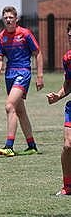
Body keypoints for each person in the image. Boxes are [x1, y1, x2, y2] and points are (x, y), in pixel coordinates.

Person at [0, 6, 44, 157]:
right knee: (20, 111)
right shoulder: (1, 37)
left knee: (9, 106)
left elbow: (38, 53)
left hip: (23, 73)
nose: (8, 20)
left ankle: (9, 146)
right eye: (6, 18)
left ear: (16, 19)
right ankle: (32, 145)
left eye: (11, 17)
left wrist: (39, 75)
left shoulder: (25, 34)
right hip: (10, 75)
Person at [47, 22, 71, 196]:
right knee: (68, 146)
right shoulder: (67, 58)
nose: (70, 38)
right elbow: (69, 84)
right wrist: (58, 95)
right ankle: (68, 186)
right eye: (69, 35)